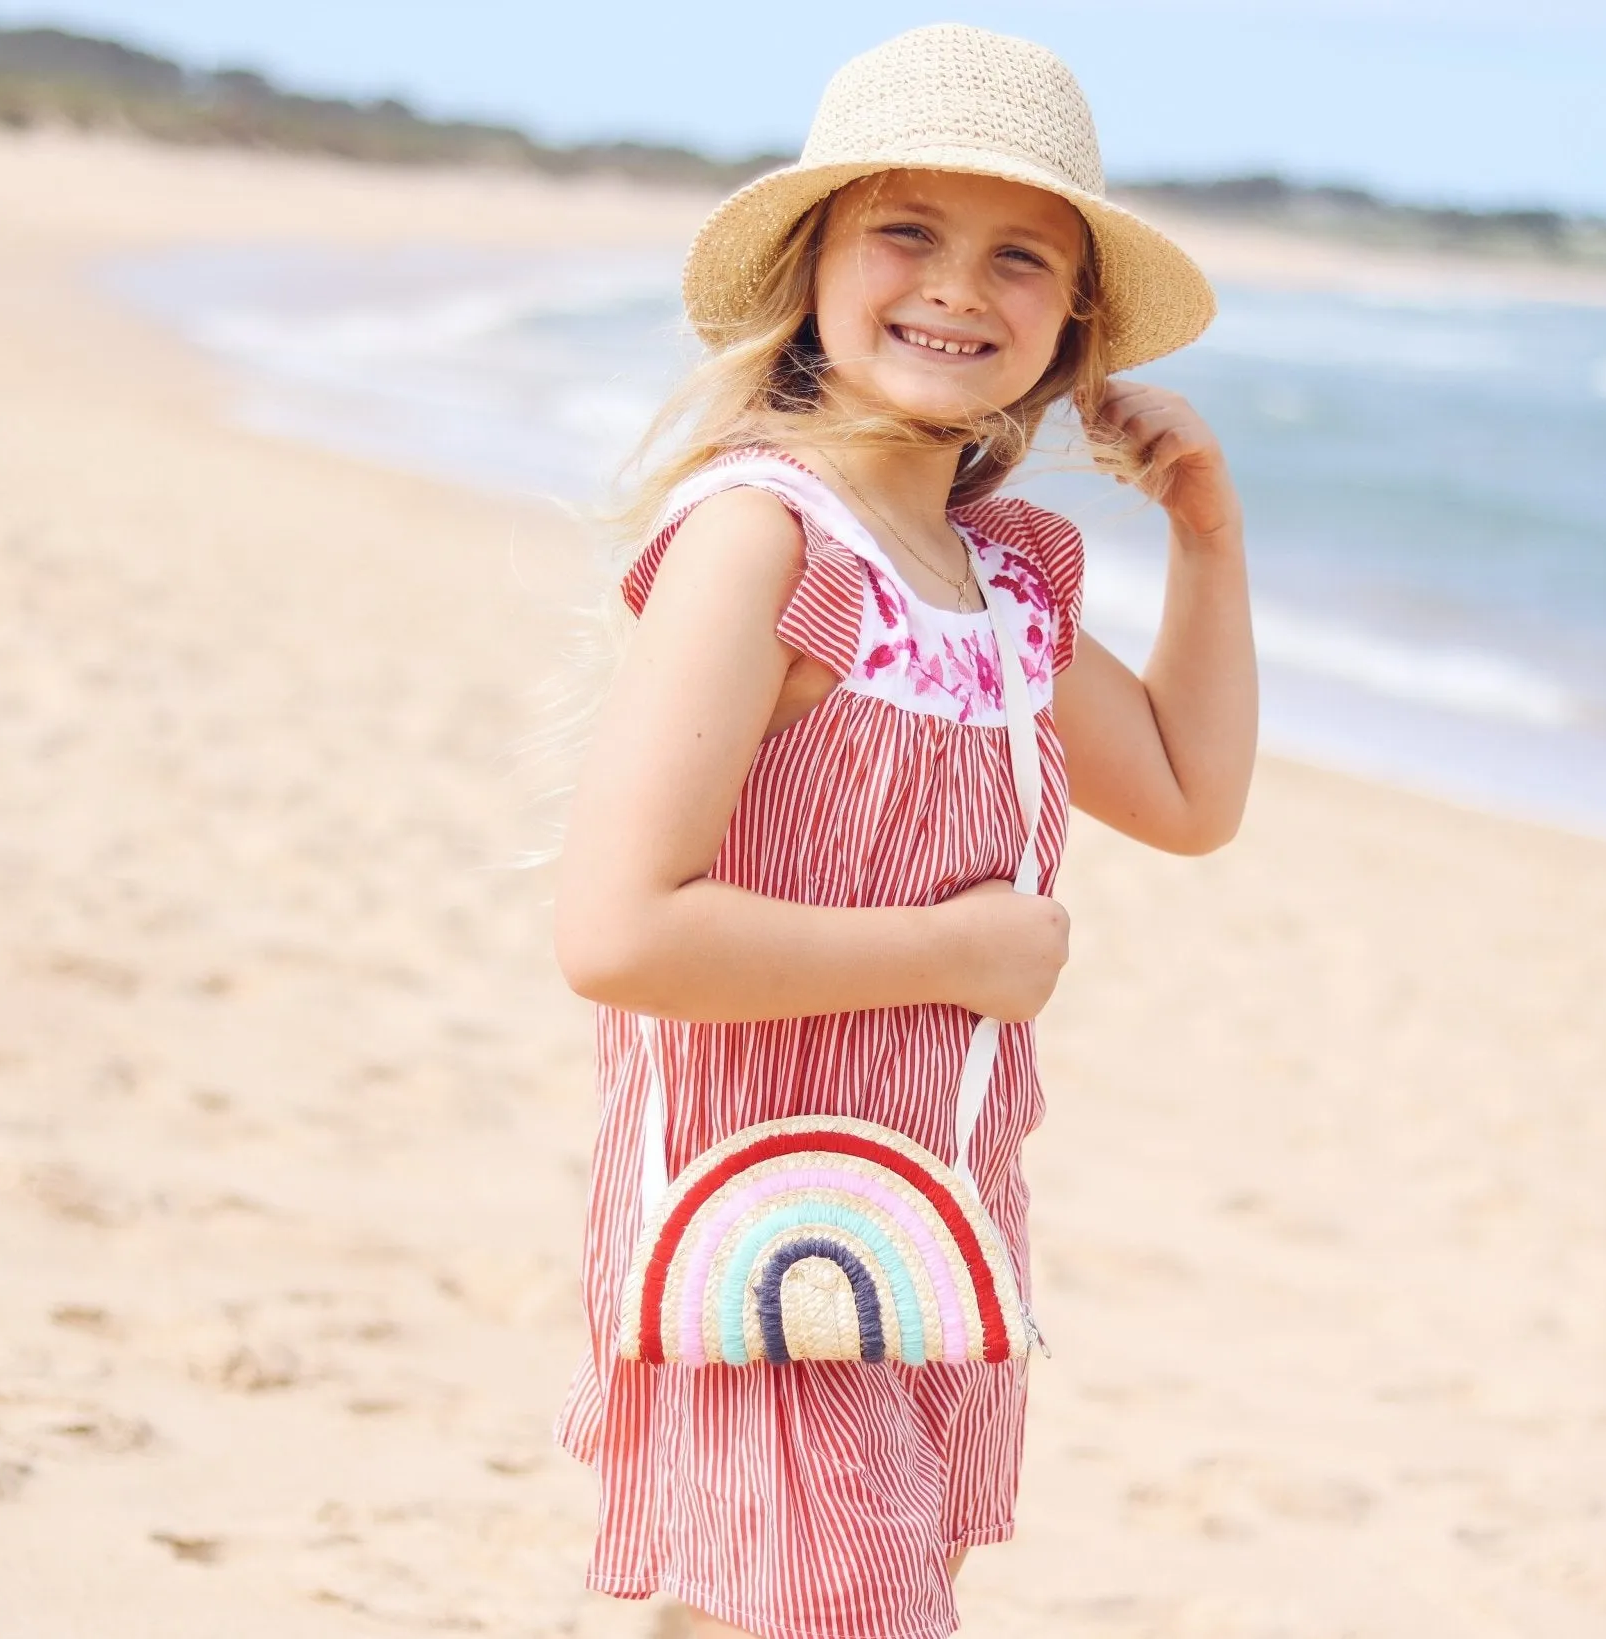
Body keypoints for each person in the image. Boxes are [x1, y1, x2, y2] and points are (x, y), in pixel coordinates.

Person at [549, 23, 1258, 1639]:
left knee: (791, 1606)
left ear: (1072, 329)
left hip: (928, 1205)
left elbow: (1191, 795)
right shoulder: (759, 538)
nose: (959, 287)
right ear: (813, 265)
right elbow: (618, 931)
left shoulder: (994, 574)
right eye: (909, 234)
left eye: (1022, 258)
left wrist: (1208, 537)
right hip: (755, 1200)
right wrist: (957, 948)